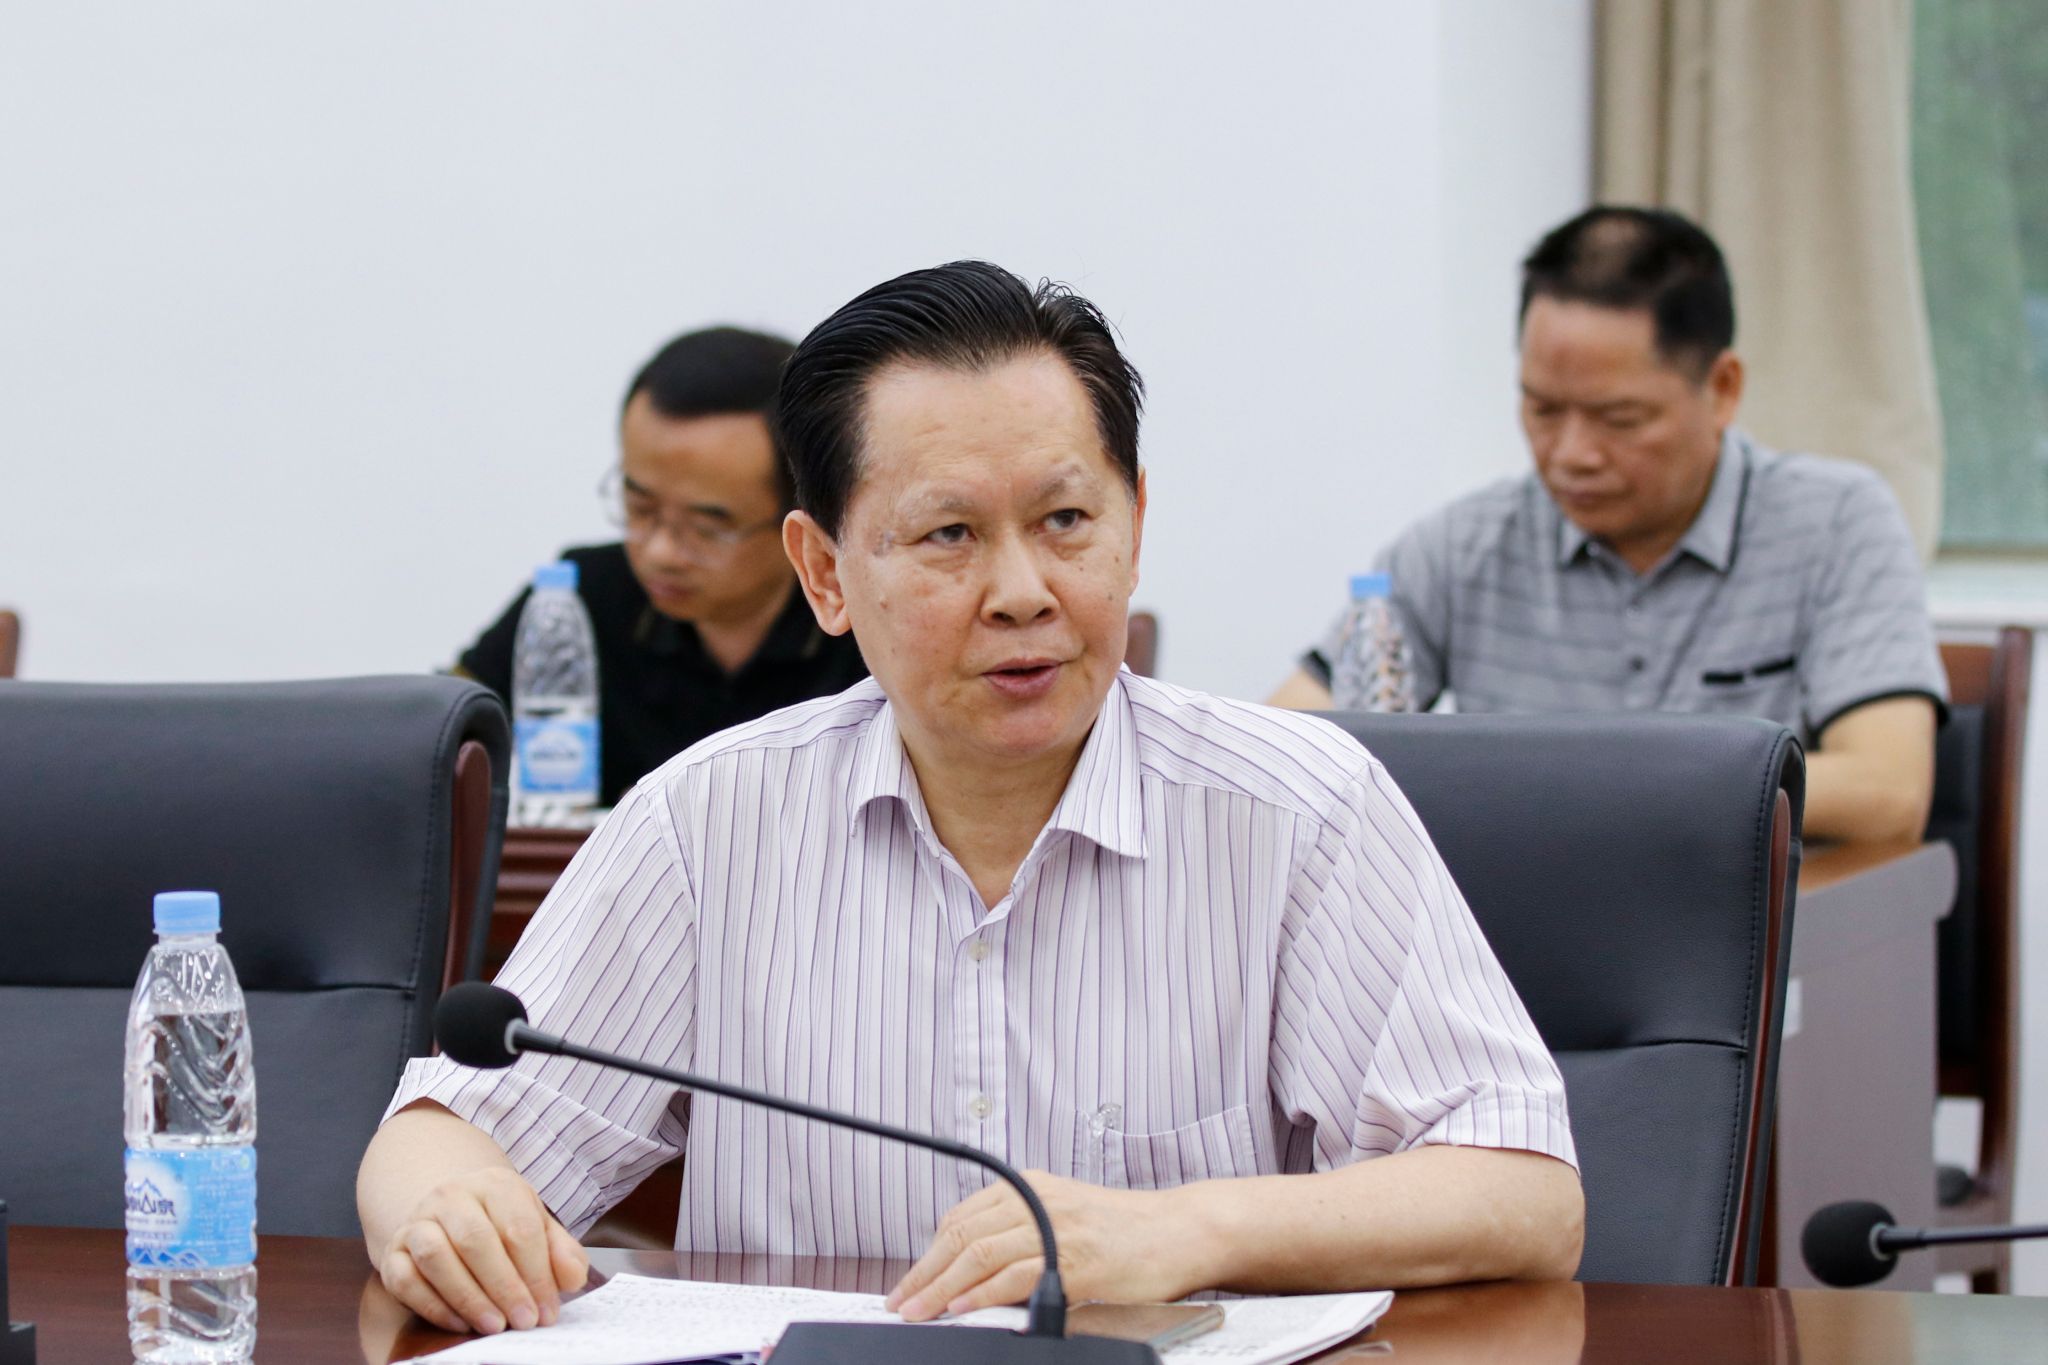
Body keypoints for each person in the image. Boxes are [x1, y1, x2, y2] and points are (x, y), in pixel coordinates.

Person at [359, 262, 1583, 1338]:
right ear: (824, 573)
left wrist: (1185, 1231)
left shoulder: (1297, 812)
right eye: (947, 534)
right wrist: (448, 1208)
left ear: (1134, 525)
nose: (1022, 591)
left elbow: (1524, 1192)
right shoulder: (704, 823)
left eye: (1065, 521)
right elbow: (438, 1136)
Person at [1270, 207, 1945, 845]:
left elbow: (1889, 791)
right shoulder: (1461, 545)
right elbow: (1285, 747)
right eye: (1542, 410)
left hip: (1739, 919)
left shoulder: (1835, 524)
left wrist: (1601, 792)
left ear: (1723, 389)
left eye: (1619, 419)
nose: (1571, 455)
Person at [456, 327, 868, 806]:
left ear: (801, 523)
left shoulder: (869, 624)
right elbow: (438, 736)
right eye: (640, 508)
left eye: (707, 527)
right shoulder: (582, 600)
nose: (660, 553)